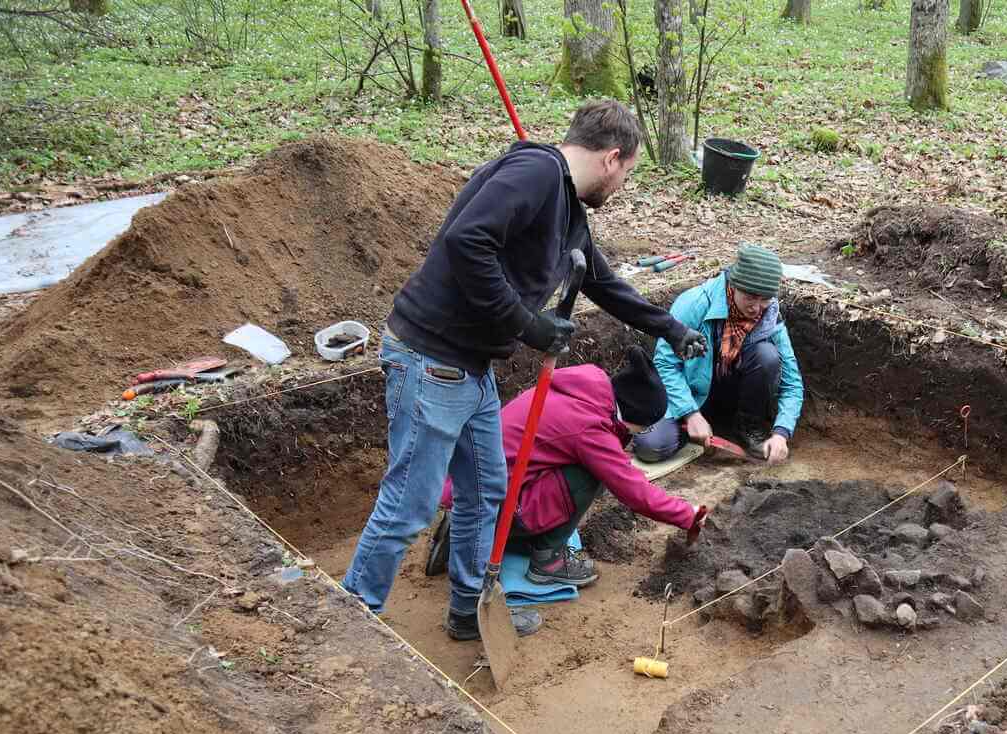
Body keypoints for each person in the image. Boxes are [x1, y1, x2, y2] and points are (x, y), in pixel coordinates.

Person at [341, 99, 706, 641]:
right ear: (612, 158)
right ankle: (349, 618)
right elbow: (467, 242)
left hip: (472, 368)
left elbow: (603, 285)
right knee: (410, 504)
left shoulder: (569, 211)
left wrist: (667, 328)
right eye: (628, 173)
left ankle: (468, 611)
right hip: (430, 357)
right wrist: (527, 323)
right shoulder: (535, 172)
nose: (623, 185)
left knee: (487, 492)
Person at [429, 350, 707, 587]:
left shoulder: (586, 387)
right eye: (642, 428)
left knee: (582, 465)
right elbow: (633, 491)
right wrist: (688, 514)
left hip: (464, 485)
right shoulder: (589, 428)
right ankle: (547, 561)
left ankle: (465, 527)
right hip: (492, 501)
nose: (638, 435)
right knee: (591, 474)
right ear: (633, 416)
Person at [632, 244, 804, 466]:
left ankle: (747, 426)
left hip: (736, 393)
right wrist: (690, 414)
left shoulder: (770, 317)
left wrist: (782, 433)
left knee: (767, 356)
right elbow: (665, 364)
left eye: (765, 298)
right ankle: (697, 424)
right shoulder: (694, 304)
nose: (757, 308)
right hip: (692, 395)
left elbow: (792, 382)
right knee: (650, 447)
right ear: (733, 284)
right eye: (751, 297)